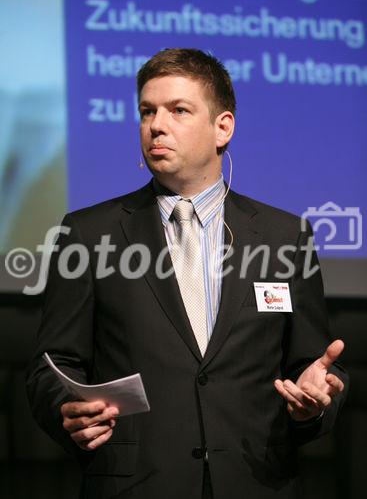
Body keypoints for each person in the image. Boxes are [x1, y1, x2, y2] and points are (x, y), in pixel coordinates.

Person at [27, 48, 348, 499]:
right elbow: (50, 367)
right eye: (147, 111)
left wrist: (313, 404)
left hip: (256, 483)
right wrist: (68, 409)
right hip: (136, 485)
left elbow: (311, 367)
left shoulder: (285, 236)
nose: (156, 125)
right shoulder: (87, 233)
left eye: (178, 110)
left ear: (223, 127)